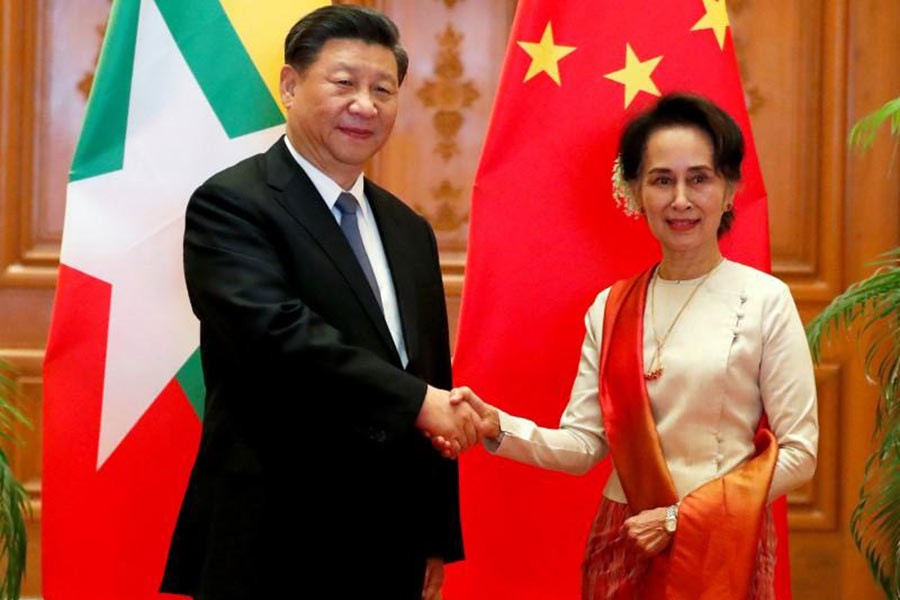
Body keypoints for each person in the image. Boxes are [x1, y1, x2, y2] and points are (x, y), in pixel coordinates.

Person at [160, 6, 480, 599]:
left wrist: (435, 535)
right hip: (274, 539)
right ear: (289, 85)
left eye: (383, 89)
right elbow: (279, 339)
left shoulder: (409, 230)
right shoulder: (231, 204)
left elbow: (430, 373)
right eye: (344, 83)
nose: (366, 105)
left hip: (390, 545)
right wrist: (419, 402)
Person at [447, 93, 819, 599]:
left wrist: (679, 518)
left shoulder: (764, 300)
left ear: (730, 190)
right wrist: (499, 426)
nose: (680, 199)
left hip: (722, 541)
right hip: (626, 539)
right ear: (635, 191)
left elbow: (799, 454)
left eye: (700, 179)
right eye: (662, 180)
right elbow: (584, 447)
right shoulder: (612, 307)